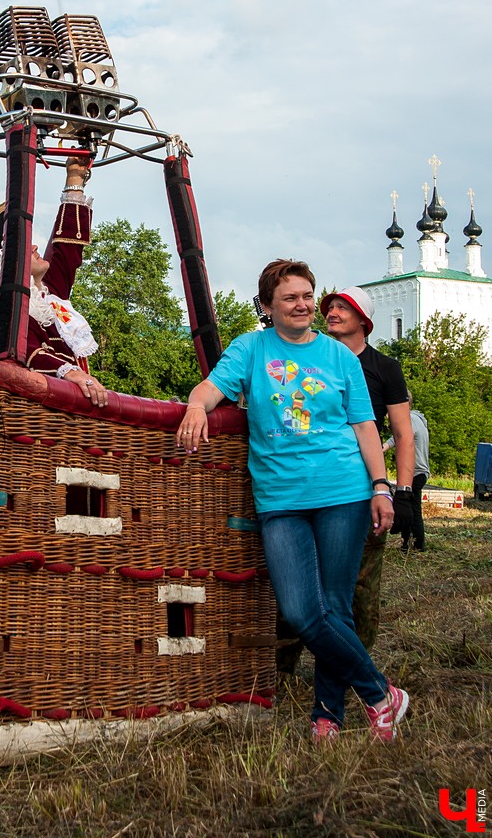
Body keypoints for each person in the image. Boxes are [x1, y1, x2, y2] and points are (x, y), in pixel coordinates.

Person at [176, 259, 409, 741]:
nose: (303, 305)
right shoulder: (251, 349)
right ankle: (381, 692)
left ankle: (328, 714)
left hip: (342, 491)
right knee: (302, 610)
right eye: (290, 298)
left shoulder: (339, 357)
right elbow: (212, 388)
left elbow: (366, 427)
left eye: (307, 295)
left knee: (336, 607)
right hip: (279, 498)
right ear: (267, 306)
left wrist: (381, 487)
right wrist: (196, 406)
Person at [0, 155, 108, 407]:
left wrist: (74, 178)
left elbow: (66, 250)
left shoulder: (48, 299)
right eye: (25, 246)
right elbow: (24, 353)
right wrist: (70, 371)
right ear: (8, 264)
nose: (36, 246)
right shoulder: (10, 316)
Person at [321, 287, 415, 649]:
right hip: (316, 481)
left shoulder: (384, 368)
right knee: (304, 580)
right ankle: (280, 675)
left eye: (343, 307)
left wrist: (403, 492)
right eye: (330, 306)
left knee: (361, 583)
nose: (332, 312)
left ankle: (356, 668)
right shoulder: (314, 359)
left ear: (364, 320)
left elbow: (403, 435)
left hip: (365, 486)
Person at [390, 391, 429, 551]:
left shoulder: (410, 419)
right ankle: (408, 543)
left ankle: (416, 545)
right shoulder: (419, 419)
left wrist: (381, 448)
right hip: (421, 471)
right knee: (410, 508)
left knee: (411, 509)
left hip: (414, 471)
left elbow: (399, 436)